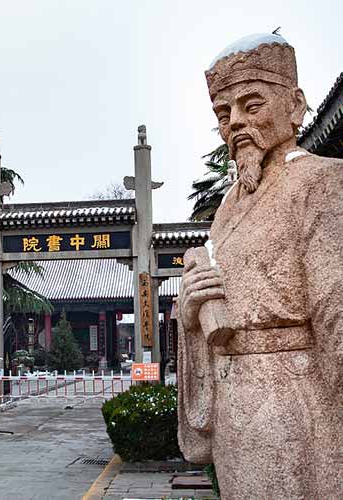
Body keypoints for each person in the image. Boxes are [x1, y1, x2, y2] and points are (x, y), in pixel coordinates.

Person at [177, 33, 342, 499]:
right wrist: (190, 311)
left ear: (294, 106)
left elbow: (336, 311)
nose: (236, 125)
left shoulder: (322, 182)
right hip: (234, 402)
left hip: (296, 396)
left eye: (252, 106)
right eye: (224, 115)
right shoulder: (229, 205)